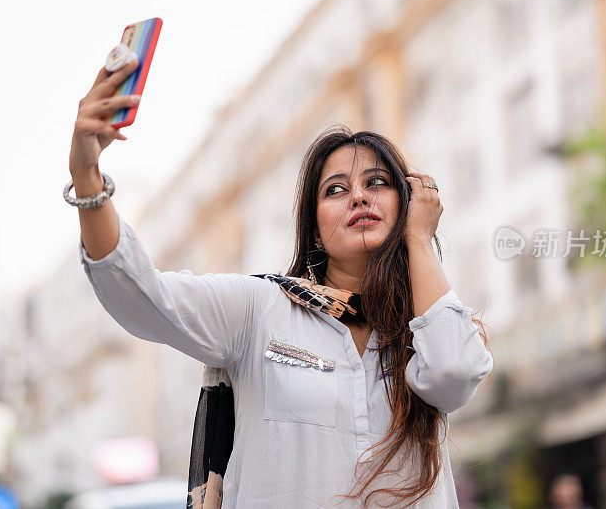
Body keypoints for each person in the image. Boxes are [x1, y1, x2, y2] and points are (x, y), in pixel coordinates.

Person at [67, 57, 494, 508]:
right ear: (313, 228)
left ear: (404, 206)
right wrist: (86, 175)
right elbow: (139, 296)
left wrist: (420, 241)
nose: (359, 196)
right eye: (335, 189)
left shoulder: (424, 332)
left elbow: (455, 373)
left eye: (378, 182)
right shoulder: (261, 309)